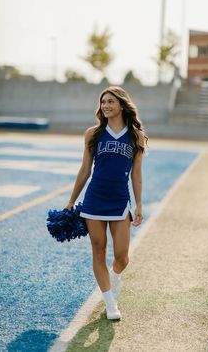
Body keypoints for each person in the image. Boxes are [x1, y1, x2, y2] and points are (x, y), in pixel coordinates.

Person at [65, 86, 148, 320]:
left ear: (122, 104)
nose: (106, 106)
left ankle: (113, 277)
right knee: (98, 251)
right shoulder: (93, 133)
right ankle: (110, 304)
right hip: (94, 201)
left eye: (111, 101)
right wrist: (72, 201)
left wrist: (139, 204)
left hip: (120, 201)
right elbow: (84, 170)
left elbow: (136, 174)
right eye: (103, 102)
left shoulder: (135, 136)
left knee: (122, 256)